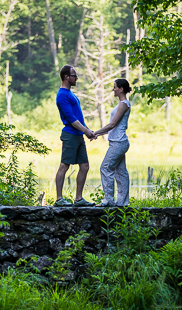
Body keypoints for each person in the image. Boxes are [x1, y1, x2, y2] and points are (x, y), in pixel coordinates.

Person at [55, 64, 96, 207]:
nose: (76, 78)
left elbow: (79, 117)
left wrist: (87, 130)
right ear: (66, 77)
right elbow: (71, 119)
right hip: (70, 135)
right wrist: (86, 131)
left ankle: (78, 199)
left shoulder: (71, 94)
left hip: (79, 135)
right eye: (74, 75)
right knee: (64, 166)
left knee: (84, 166)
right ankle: (59, 199)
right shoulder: (62, 95)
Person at [94, 78, 132, 207]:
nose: (113, 89)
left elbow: (112, 124)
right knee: (120, 172)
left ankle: (109, 201)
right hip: (118, 142)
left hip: (119, 142)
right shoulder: (122, 103)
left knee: (105, 167)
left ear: (121, 89)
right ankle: (122, 203)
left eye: (115, 87)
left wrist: (96, 133)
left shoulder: (124, 104)